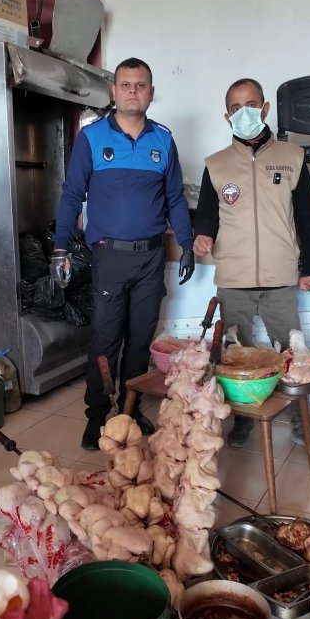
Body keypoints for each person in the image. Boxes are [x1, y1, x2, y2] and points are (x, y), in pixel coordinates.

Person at [52, 57, 195, 450]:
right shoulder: (93, 138)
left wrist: (185, 243)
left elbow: (175, 198)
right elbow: (70, 196)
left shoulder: (163, 140)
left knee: (139, 338)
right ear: (114, 92)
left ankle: (130, 410)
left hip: (151, 257)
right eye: (126, 84)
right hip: (109, 257)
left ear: (151, 92)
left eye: (141, 84)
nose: (134, 90)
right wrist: (60, 246)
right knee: (105, 338)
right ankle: (97, 415)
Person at [193, 77, 310, 457]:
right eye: (236, 108)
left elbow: (307, 217)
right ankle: (242, 420)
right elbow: (206, 214)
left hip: (280, 275)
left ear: (265, 109)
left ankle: (304, 425)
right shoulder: (216, 165)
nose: (244, 113)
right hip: (233, 277)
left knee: (292, 355)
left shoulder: (292, 157)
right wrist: (202, 234)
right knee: (237, 355)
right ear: (226, 116)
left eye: (251, 104)